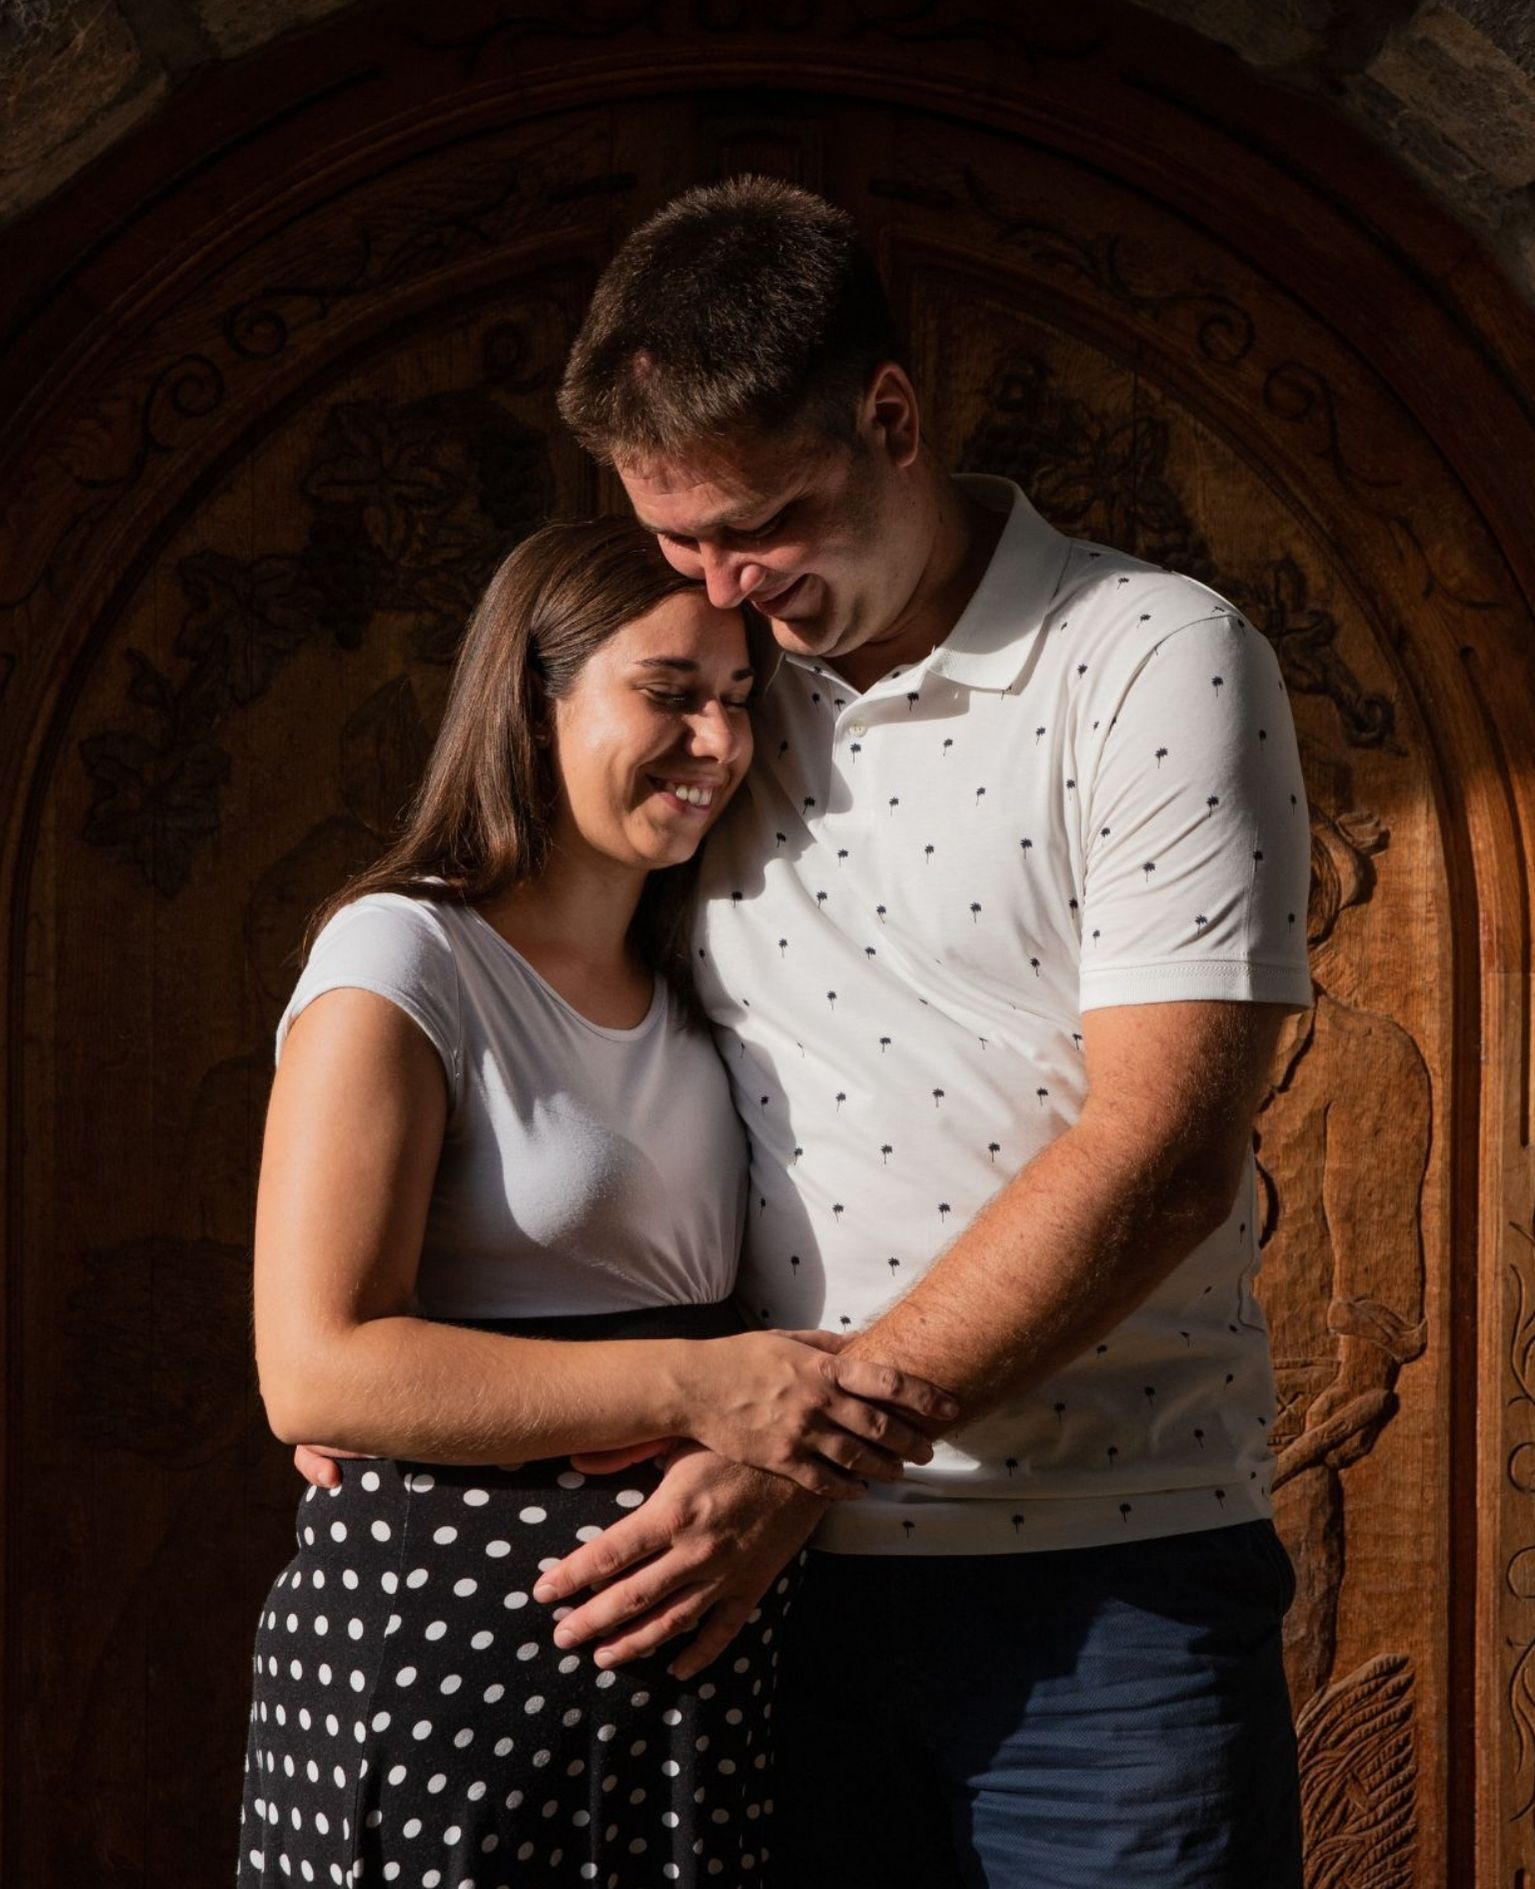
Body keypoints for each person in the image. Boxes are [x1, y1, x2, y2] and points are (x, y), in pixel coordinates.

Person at [527, 179, 1317, 1886]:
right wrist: (394, 1345)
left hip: (1103, 1584)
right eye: (677, 542)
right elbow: (522, 988)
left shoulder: (1152, 658)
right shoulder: (709, 694)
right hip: (753, 1593)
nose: (724, 584)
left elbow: (1163, 1153)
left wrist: (801, 1462)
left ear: (890, 416)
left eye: (761, 523)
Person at [239, 514, 959, 1889]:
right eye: (669, 693)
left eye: (740, 698)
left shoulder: (702, 970)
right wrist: (704, 1386)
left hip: (695, 1671)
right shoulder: (405, 955)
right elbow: (316, 1369)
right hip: (451, 1664)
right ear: (533, 702)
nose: (719, 741)